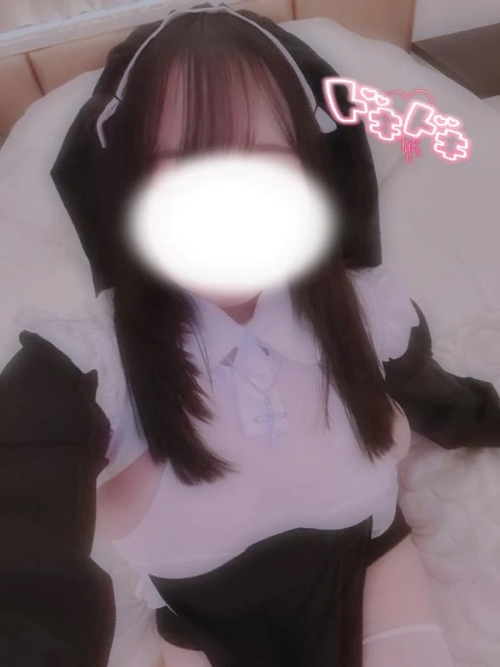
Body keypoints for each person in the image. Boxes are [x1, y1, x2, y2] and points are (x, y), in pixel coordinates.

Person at [1, 4, 499, 667]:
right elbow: (22, 512)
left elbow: (436, 394)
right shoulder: (89, 360)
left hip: (369, 561)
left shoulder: (365, 309)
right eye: (181, 163)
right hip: (204, 615)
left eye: (264, 159)